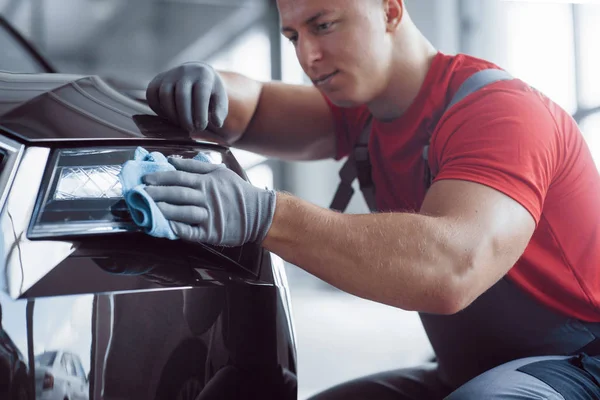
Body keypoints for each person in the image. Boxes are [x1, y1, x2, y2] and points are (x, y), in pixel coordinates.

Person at [141, 0, 600, 398]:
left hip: (583, 366)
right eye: (292, 35)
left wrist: (264, 215)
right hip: (468, 371)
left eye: (323, 25)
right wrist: (211, 85)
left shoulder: (500, 112)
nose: (307, 56)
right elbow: (256, 106)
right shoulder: (365, 116)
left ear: (390, 10)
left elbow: (451, 267)